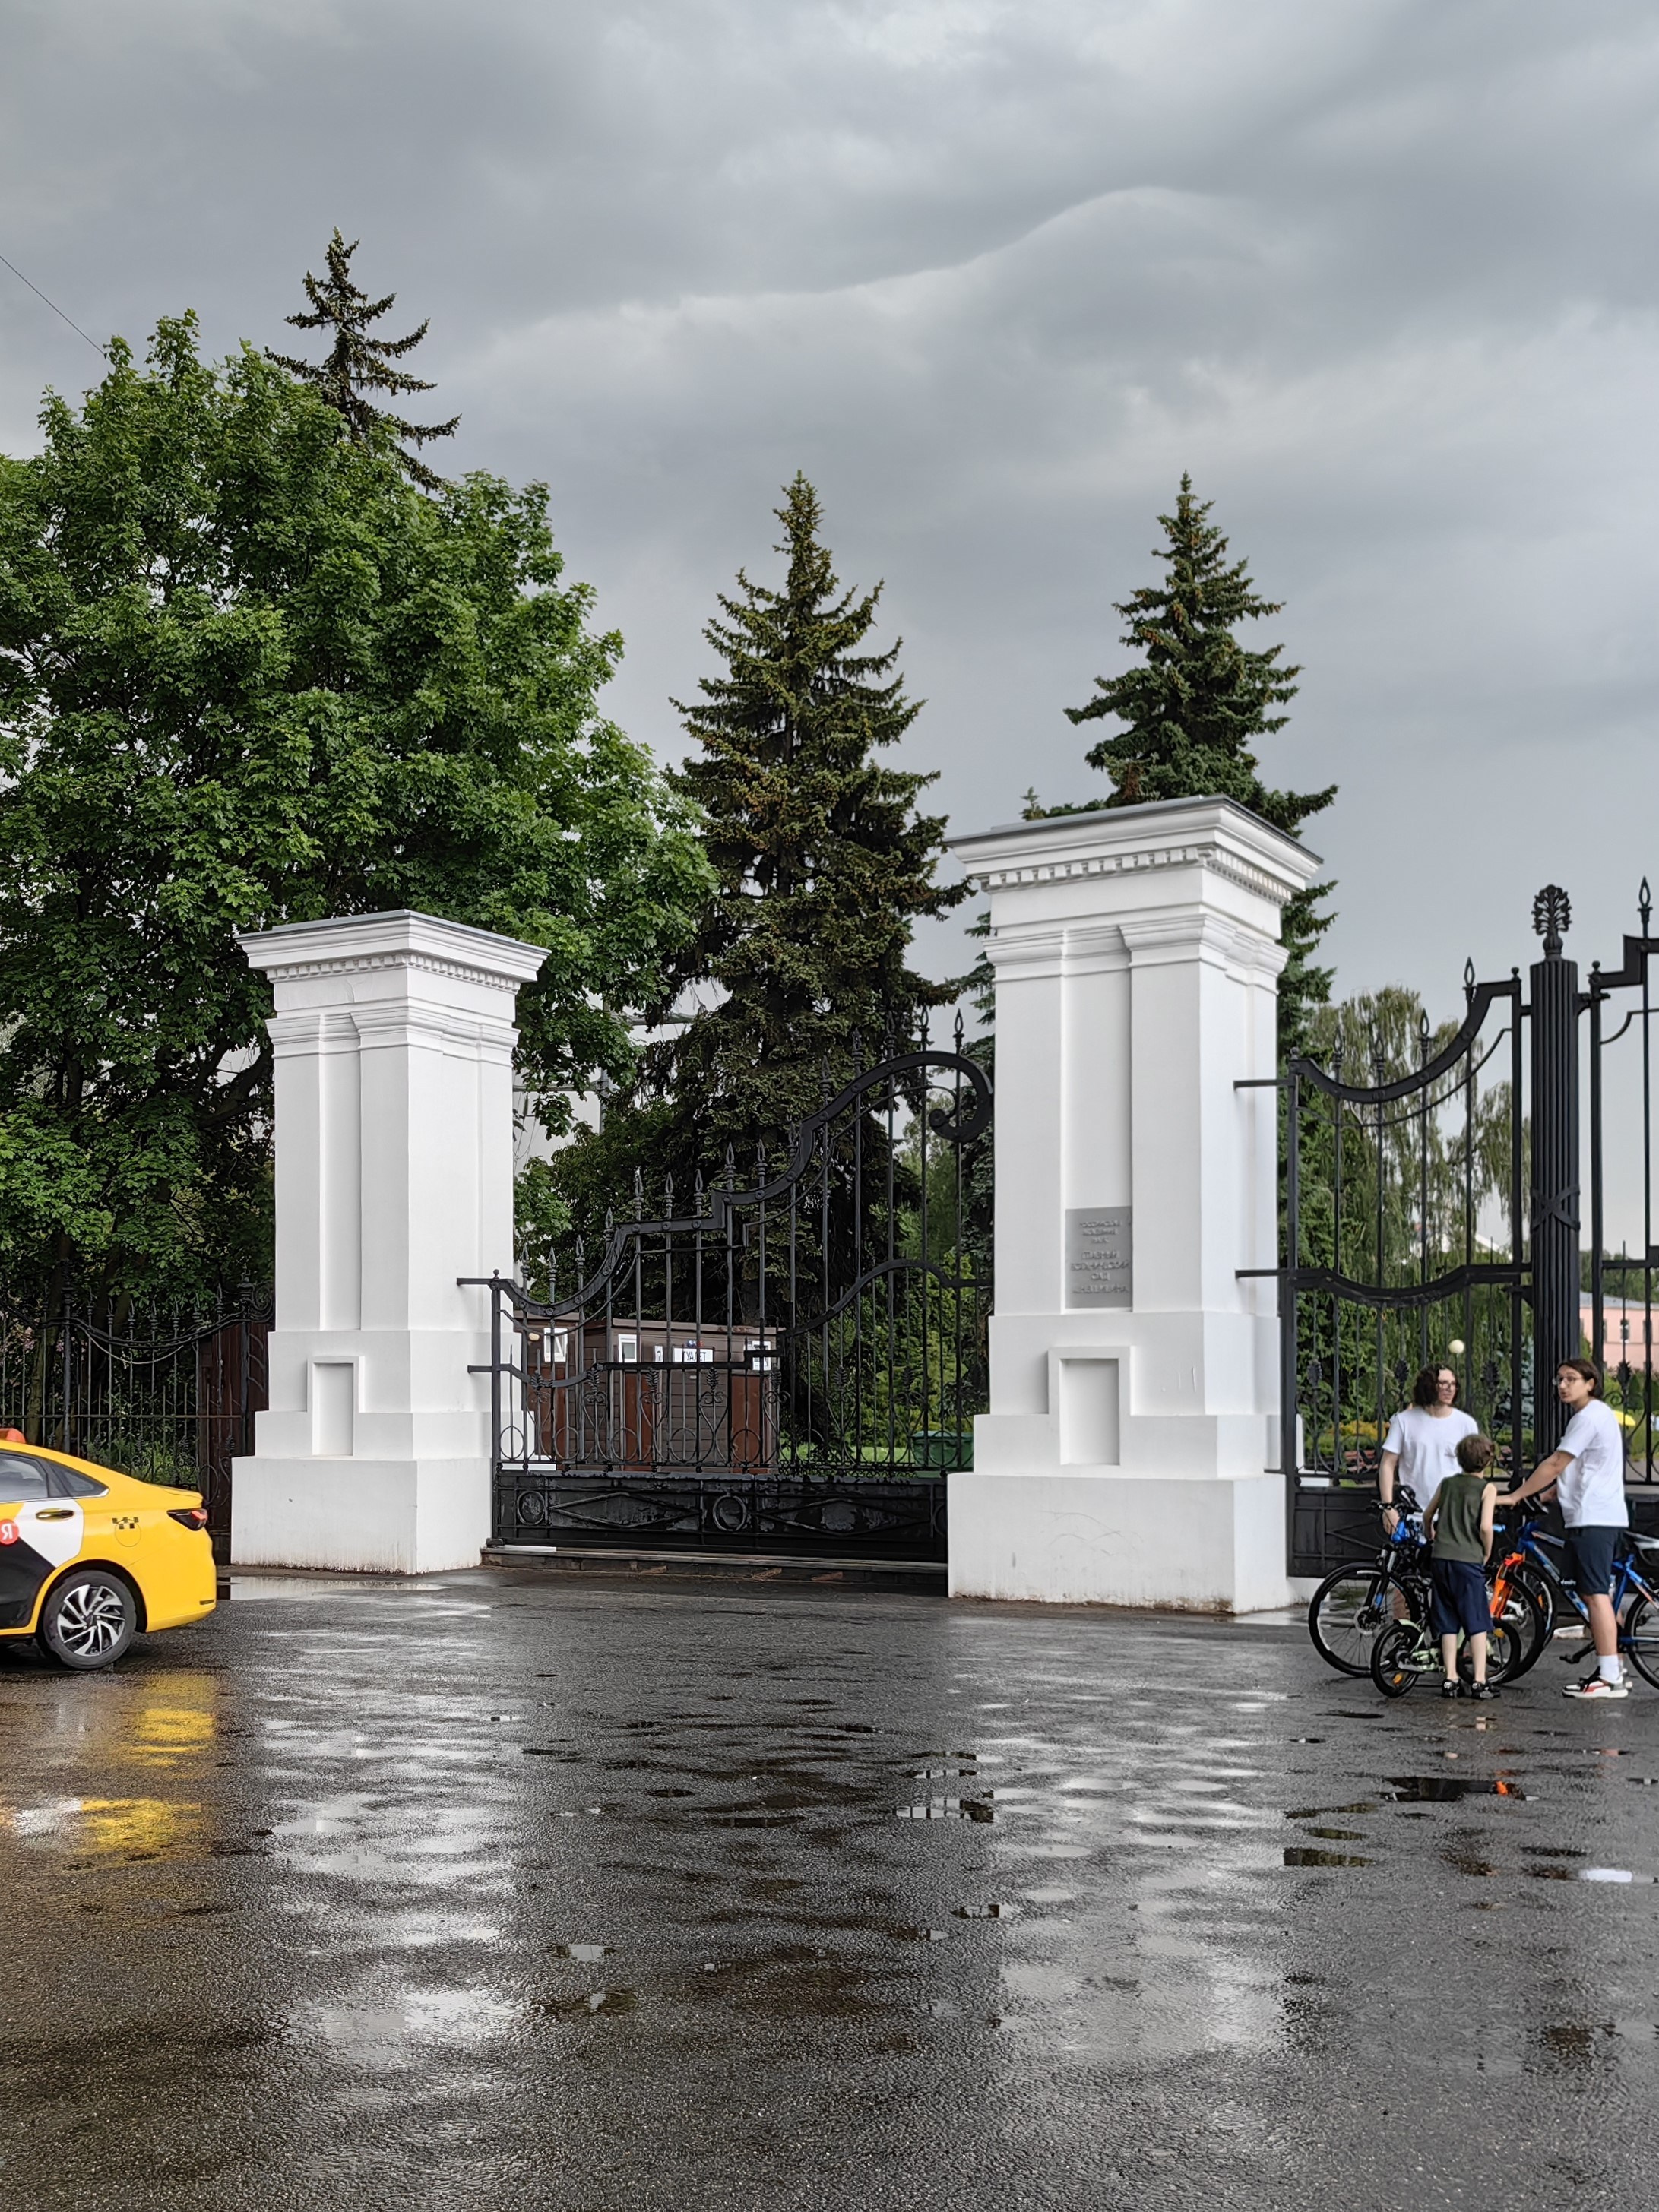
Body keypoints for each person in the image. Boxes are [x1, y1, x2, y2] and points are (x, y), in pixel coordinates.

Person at [1502, 1359, 1630, 1701]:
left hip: (1593, 1518)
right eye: (1559, 1379)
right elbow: (1580, 1470)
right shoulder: (1592, 1416)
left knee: (1595, 1594)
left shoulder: (1588, 1416)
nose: (1562, 1385)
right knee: (1596, 1594)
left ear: (1591, 1383)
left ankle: (1609, 1678)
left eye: (1571, 1379)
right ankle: (1615, 1667)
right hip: (1596, 1515)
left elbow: (1557, 1463)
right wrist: (1545, 1495)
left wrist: (1517, 1495)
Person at [1422, 1432, 1501, 1700]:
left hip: (1441, 1559)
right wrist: (1487, 1551)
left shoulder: (1447, 1484)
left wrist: (1431, 1536)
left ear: (1459, 1459)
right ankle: (1479, 1681)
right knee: (1476, 1621)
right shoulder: (1487, 1489)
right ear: (1487, 1460)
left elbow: (1428, 1515)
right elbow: (1486, 1527)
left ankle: (1450, 1679)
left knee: (1447, 1620)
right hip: (1468, 1560)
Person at [1379, 1363, 1478, 1532]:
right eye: (1443, 1383)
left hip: (1452, 1517)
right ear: (1429, 1385)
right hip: (1412, 1515)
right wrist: (1388, 1507)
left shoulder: (1466, 1424)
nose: (1449, 1388)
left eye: (1453, 1384)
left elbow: (1476, 1471)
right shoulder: (1404, 1421)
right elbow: (1388, 1463)